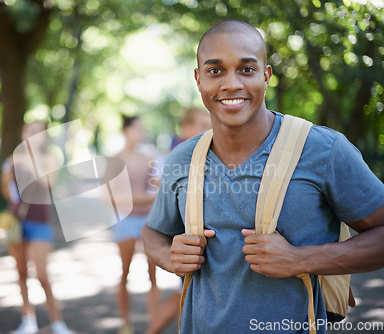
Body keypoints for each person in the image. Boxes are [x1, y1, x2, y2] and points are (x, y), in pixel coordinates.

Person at [141, 19, 384, 334]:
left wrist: (300, 260)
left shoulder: (323, 151)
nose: (231, 84)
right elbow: (151, 233)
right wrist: (168, 255)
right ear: (199, 80)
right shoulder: (181, 159)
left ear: (266, 75)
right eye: (215, 71)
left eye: (246, 69)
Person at [0, 121, 72, 334]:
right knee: (21, 273)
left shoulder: (49, 158)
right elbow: (7, 194)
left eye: (39, 132)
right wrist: (6, 178)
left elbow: (48, 182)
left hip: (40, 223)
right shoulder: (12, 160)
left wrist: (26, 159)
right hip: (17, 223)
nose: (33, 135)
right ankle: (28, 321)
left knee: (42, 275)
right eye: (30, 131)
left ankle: (58, 323)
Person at [146, 107, 210, 334]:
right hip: (182, 233)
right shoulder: (179, 154)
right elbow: (158, 184)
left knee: (188, 293)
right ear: (186, 127)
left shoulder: (206, 152)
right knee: (186, 292)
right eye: (203, 125)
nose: (208, 129)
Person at [110, 115, 160, 334]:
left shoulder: (148, 157)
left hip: (148, 220)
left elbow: (159, 188)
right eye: (138, 128)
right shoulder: (115, 160)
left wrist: (135, 197)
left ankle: (154, 323)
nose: (142, 132)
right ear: (127, 130)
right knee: (125, 273)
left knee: (153, 273)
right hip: (126, 221)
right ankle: (125, 323)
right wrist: (143, 197)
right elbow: (109, 197)